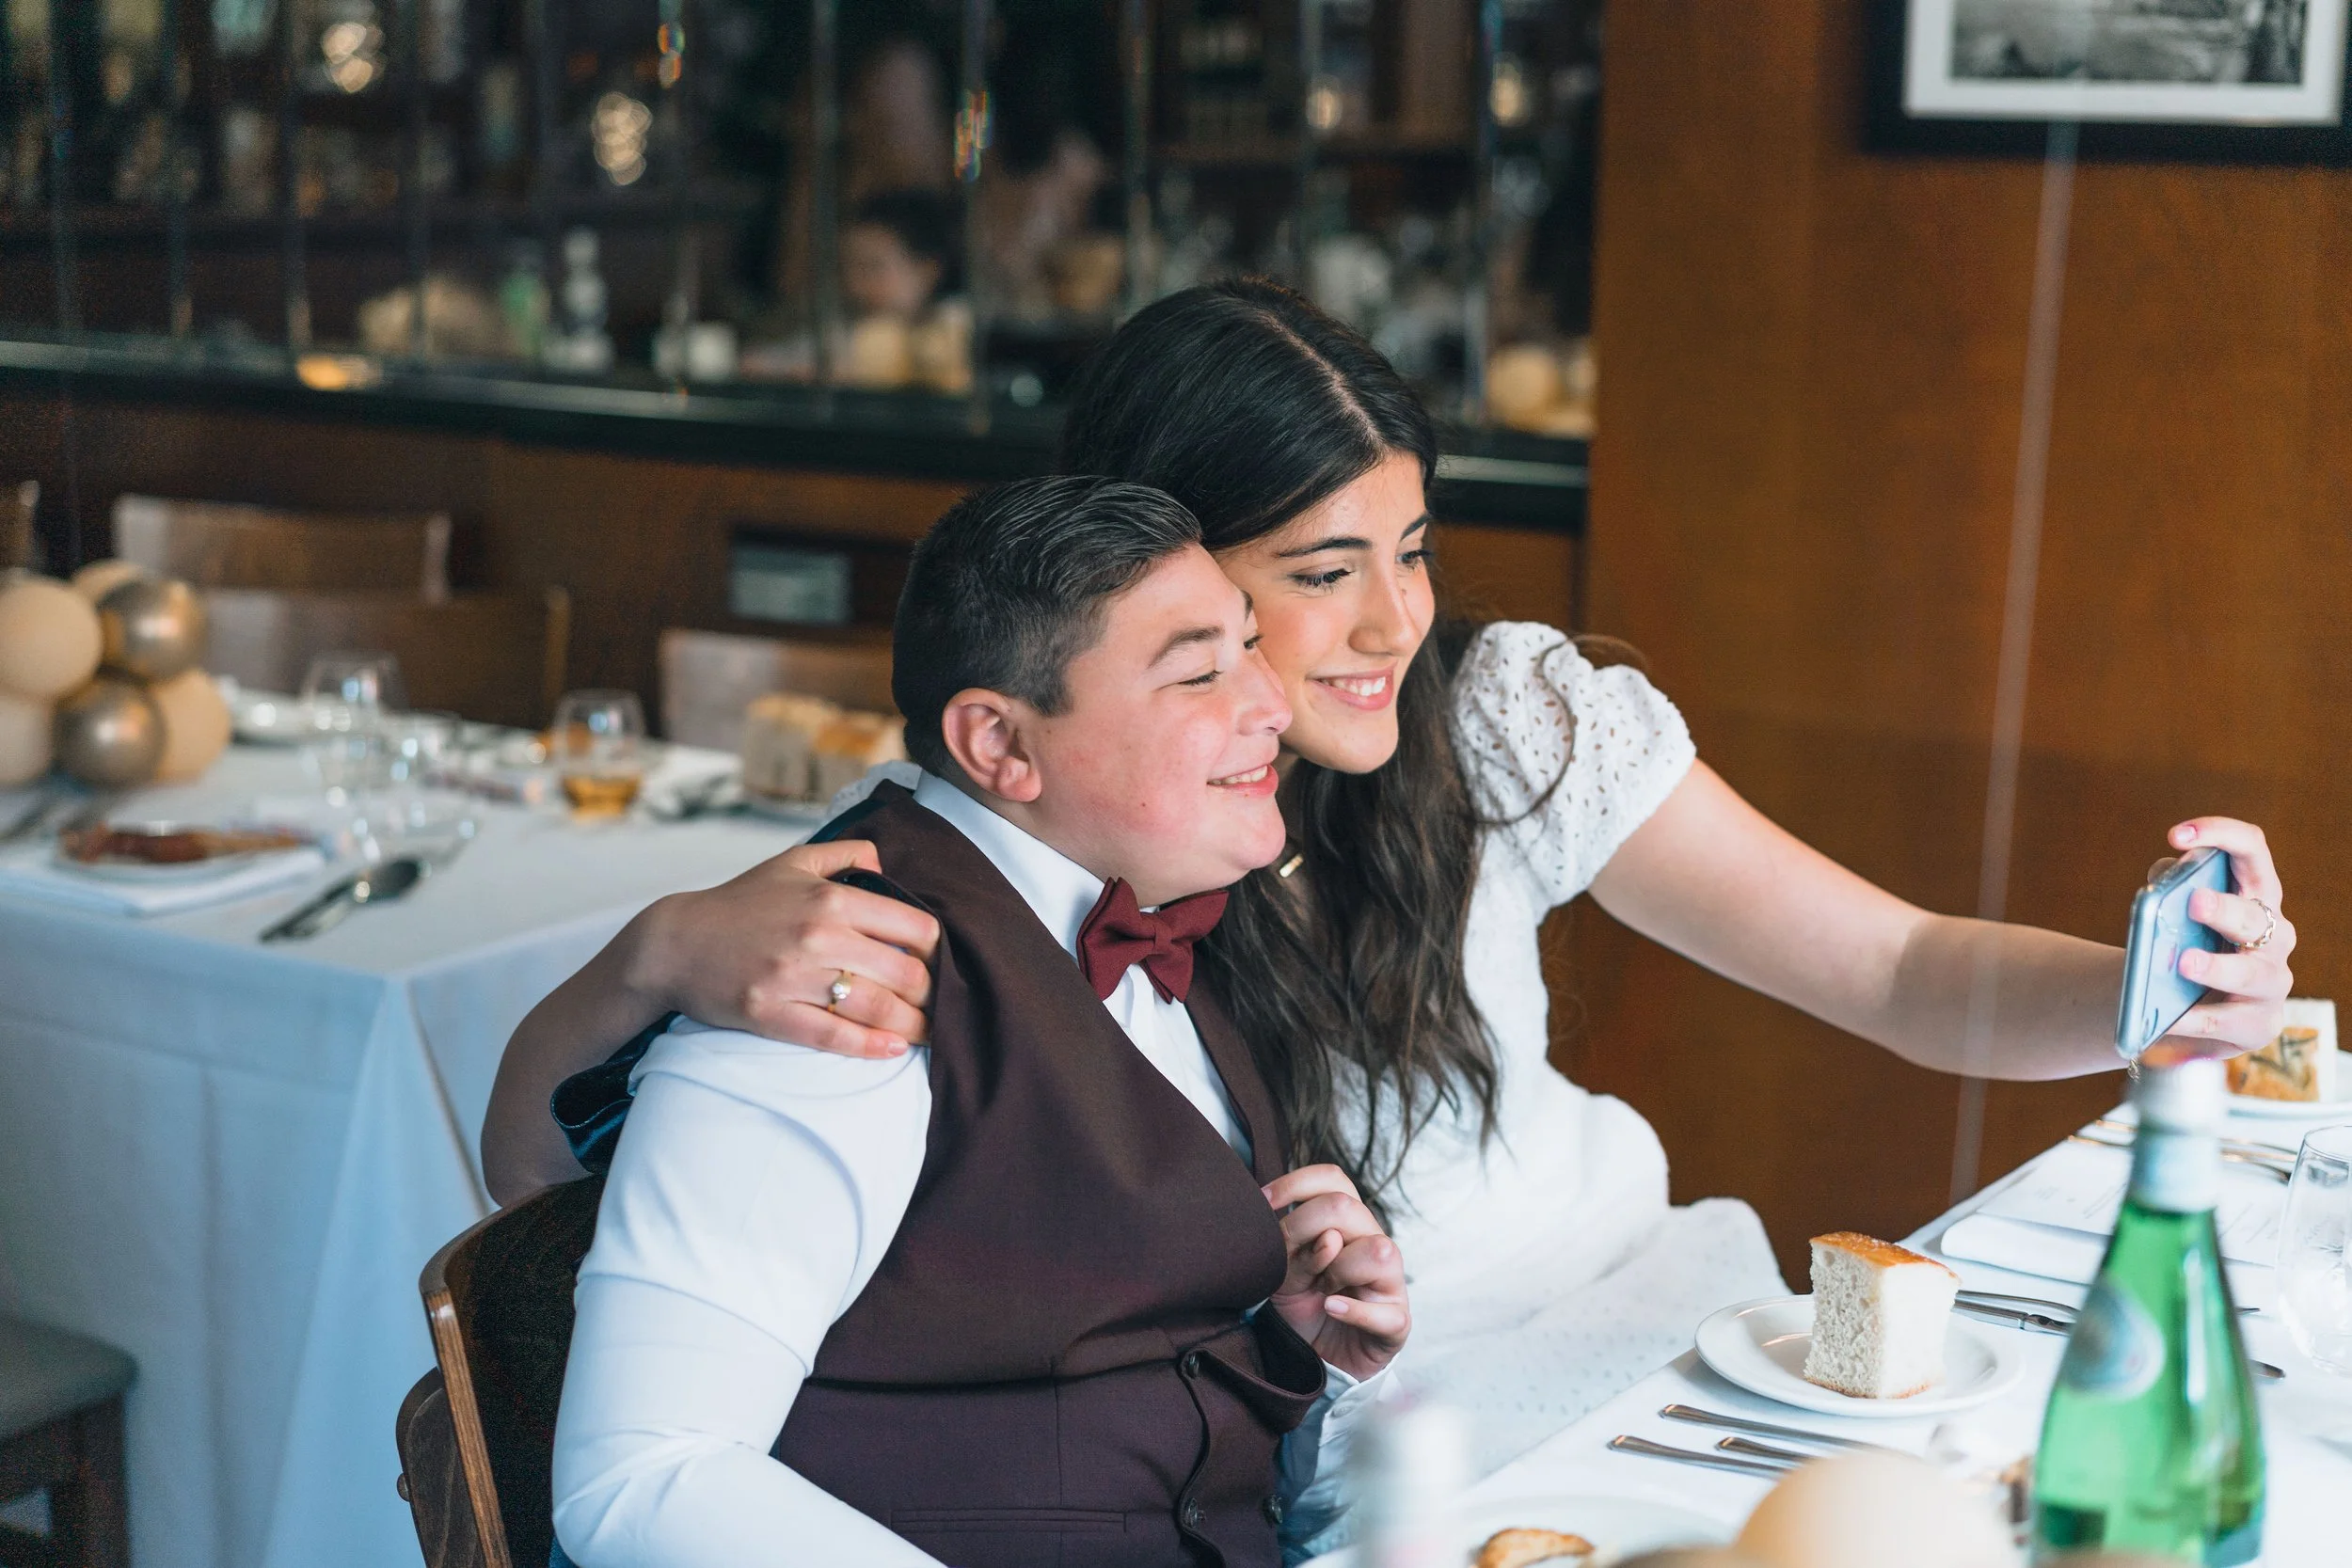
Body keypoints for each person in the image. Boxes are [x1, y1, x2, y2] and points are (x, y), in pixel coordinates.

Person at [490, 278, 2296, 1480]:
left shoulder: (1503, 720)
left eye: (1414, 549)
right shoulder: (1013, 841)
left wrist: (2158, 989)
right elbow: (540, 1220)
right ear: (1155, 572)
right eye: (1321, 568)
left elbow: (1897, 969)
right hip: (1380, 1434)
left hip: (1667, 1329)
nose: (1391, 626)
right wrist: (649, 954)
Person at [550, 477, 1407, 1568]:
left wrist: (1290, 1349)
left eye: (1247, 646)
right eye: (1199, 670)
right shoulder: (839, 982)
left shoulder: (1161, 912)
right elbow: (640, 1477)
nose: (1271, 702)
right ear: (1000, 742)